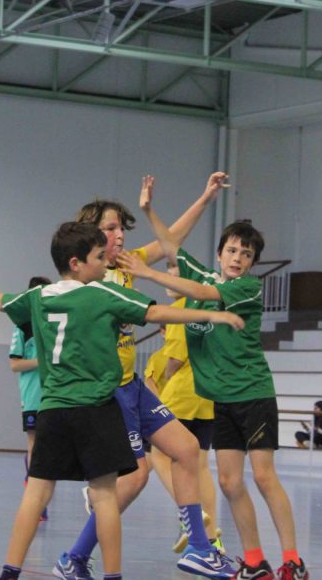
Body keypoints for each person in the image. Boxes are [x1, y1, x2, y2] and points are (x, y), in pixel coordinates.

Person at [0, 221, 246, 580]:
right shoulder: (102, 294)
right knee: (105, 498)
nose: (106, 263)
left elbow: (2, 301)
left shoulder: (38, 297)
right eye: (100, 257)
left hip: (53, 410)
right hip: (95, 410)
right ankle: (110, 575)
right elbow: (156, 313)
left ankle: (8, 574)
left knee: (35, 494)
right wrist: (210, 313)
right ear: (76, 263)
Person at [119, 177, 310, 580]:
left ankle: (293, 560)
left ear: (252, 263)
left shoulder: (246, 289)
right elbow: (170, 246)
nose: (238, 258)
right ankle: (255, 561)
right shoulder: (207, 277)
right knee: (228, 482)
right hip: (221, 401)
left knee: (263, 476)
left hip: (253, 394)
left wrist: (148, 274)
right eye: (232, 250)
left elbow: (201, 293)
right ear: (220, 253)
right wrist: (150, 209)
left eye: (246, 254)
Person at [57, 172, 238, 580]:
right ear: (90, 235)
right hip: (108, 393)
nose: (119, 235)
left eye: (122, 227)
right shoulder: (85, 280)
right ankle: (74, 558)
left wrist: (206, 197)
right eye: (110, 228)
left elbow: (171, 238)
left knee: (187, 449)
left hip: (133, 385)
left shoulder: (127, 263)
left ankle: (198, 548)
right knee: (135, 477)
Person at [143, 279, 228, 557]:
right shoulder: (211, 307)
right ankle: (213, 540)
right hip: (207, 396)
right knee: (201, 466)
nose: (168, 275)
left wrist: (169, 376)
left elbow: (176, 359)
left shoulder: (180, 309)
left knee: (159, 454)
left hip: (181, 395)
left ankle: (189, 512)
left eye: (173, 268)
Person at [10, 275, 53, 520]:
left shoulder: (54, 325)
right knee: (35, 444)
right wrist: (41, 361)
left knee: (51, 446)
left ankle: (41, 496)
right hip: (33, 395)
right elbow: (15, 365)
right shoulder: (22, 328)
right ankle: (36, 502)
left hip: (56, 393)